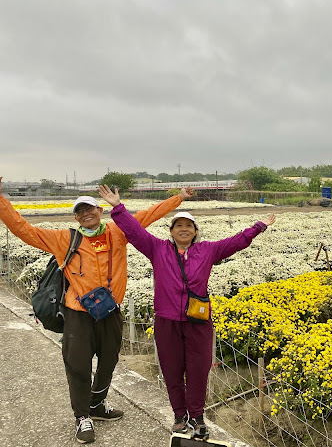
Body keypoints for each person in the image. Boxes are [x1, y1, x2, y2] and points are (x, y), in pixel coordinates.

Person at [0, 176, 193, 444]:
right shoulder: (62, 239)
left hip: (110, 311)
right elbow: (23, 229)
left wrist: (179, 198)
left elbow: (148, 215)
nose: (85, 214)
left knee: (109, 361)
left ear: (99, 211)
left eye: (89, 209)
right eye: (79, 211)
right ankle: (82, 416)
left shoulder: (118, 231)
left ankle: (97, 405)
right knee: (77, 365)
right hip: (78, 314)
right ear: (76, 217)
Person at [98, 184, 275, 438]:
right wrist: (118, 207)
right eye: (178, 225)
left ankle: (197, 417)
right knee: (171, 370)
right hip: (167, 321)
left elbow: (236, 242)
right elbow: (134, 232)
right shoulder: (157, 249)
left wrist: (258, 227)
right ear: (171, 232)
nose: (184, 229)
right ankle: (180, 416)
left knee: (198, 369)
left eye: (188, 226)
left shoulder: (208, 250)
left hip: (198, 321)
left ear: (195, 232)